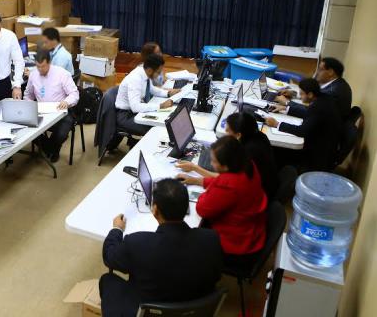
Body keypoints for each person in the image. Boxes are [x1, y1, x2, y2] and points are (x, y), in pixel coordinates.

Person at [100, 179, 223, 316]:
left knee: (107, 280)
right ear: (186, 207)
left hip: (149, 309)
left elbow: (109, 256)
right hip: (197, 308)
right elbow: (216, 276)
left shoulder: (137, 243)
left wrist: (117, 229)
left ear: (155, 210)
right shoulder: (212, 238)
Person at [179, 136, 268, 265]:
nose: (211, 164)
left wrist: (207, 191)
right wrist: (198, 181)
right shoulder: (247, 164)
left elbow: (202, 209)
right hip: (253, 230)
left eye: (214, 161)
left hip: (237, 243)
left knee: (187, 239)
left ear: (226, 166)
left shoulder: (228, 184)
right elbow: (224, 181)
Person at [177, 112, 278, 199]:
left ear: (238, 135)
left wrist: (195, 169)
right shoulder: (259, 136)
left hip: (257, 195)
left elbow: (226, 180)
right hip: (261, 189)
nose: (225, 133)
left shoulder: (248, 153)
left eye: (228, 131)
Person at [266, 78, 342, 173]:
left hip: (318, 153)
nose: (300, 97)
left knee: (275, 150)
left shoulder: (318, 107)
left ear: (310, 94)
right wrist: (285, 109)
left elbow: (302, 131)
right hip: (327, 144)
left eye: (301, 93)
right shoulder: (324, 98)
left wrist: (277, 124)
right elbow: (309, 113)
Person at [24, 49, 79, 162]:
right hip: (41, 112)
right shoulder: (34, 75)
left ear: (49, 63)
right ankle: (51, 149)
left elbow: (74, 94)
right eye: (38, 67)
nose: (40, 70)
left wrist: (67, 102)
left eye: (43, 66)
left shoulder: (62, 74)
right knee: (26, 130)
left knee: (62, 131)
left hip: (60, 112)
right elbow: (28, 95)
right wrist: (29, 106)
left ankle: (50, 149)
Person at [115, 53, 180, 136]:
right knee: (155, 129)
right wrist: (160, 106)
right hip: (126, 116)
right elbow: (135, 107)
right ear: (150, 70)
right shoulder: (135, 79)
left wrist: (168, 93)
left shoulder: (144, 73)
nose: (159, 75)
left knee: (163, 120)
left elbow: (151, 89)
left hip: (135, 112)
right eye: (158, 72)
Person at [276, 57, 352, 119]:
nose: (317, 72)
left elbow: (310, 112)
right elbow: (316, 94)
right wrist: (294, 94)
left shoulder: (333, 92)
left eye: (320, 69)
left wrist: (287, 103)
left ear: (330, 72)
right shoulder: (338, 83)